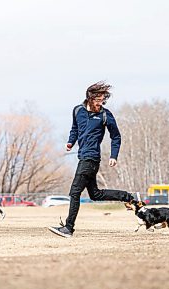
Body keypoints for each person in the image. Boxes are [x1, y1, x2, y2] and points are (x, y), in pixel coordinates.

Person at [48, 81, 135, 238]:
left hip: (91, 158)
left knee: (75, 192)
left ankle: (68, 228)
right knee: (95, 194)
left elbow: (116, 136)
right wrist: (70, 141)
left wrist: (114, 155)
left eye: (103, 101)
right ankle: (127, 196)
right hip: (82, 156)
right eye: (98, 100)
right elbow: (75, 129)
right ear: (89, 98)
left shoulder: (105, 115)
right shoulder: (77, 111)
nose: (100, 104)